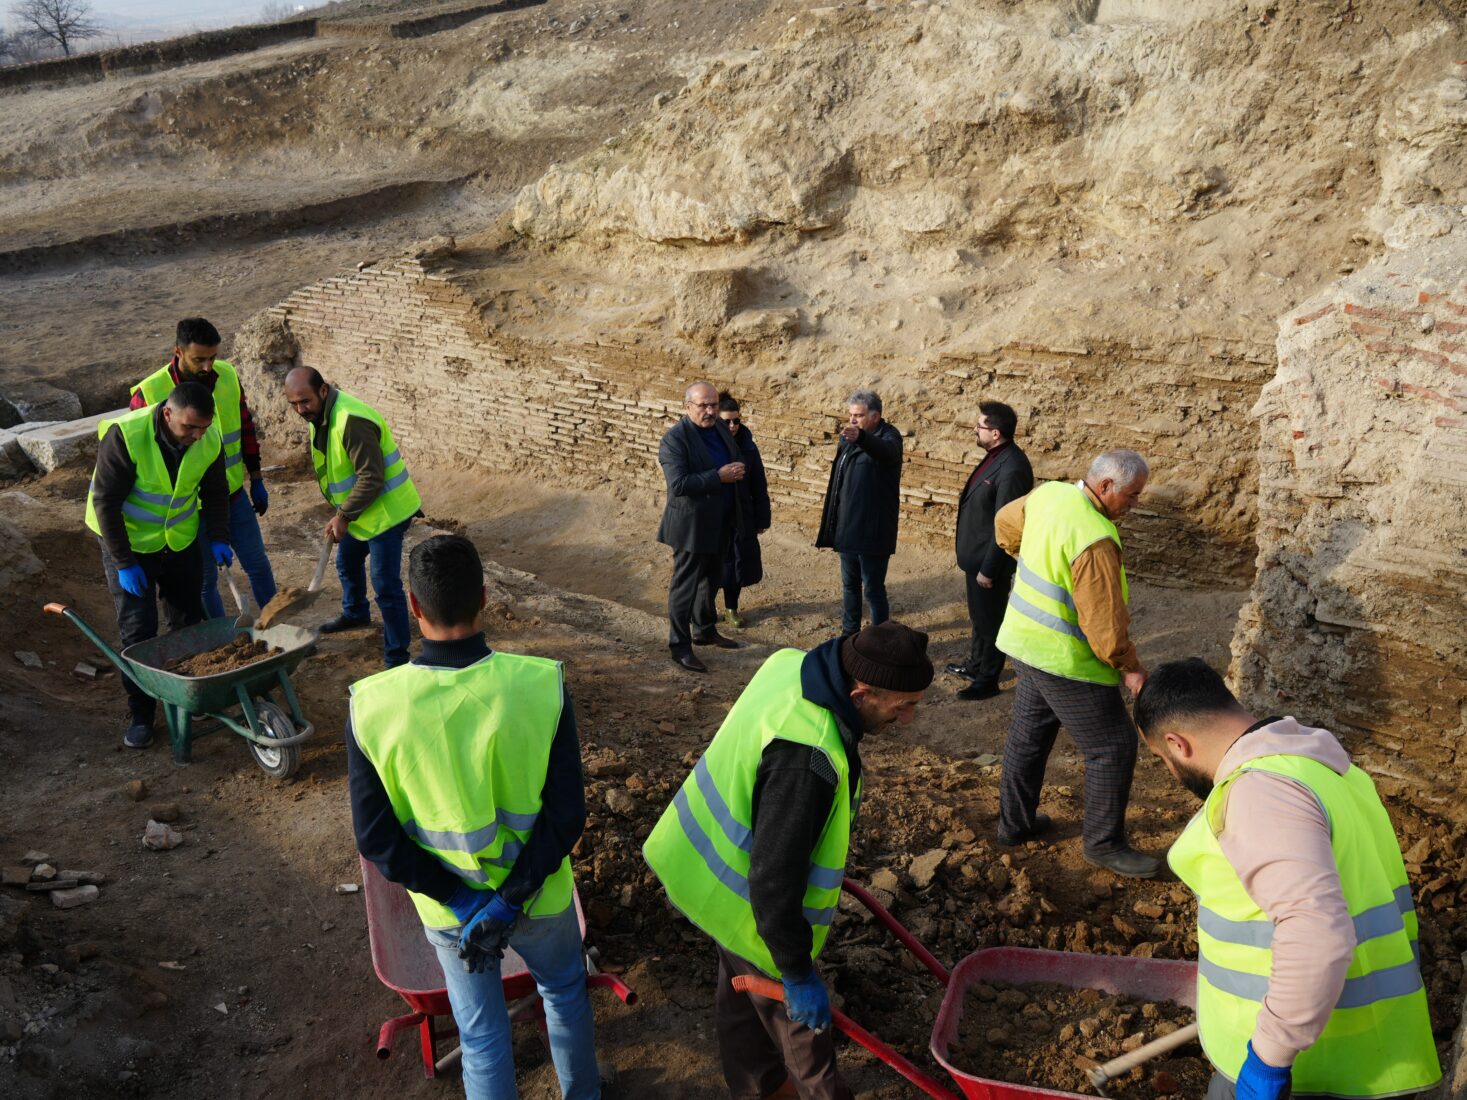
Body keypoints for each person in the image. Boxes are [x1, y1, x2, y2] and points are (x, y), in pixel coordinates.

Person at [348, 534, 599, 1100]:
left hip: (450, 912)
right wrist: (509, 900)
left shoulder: (373, 706)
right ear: (484, 597)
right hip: (538, 896)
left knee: (482, 1036)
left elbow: (376, 837)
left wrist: (466, 904)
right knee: (563, 993)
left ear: (413, 607)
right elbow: (566, 815)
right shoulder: (541, 686)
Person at [644, 621, 934, 1100]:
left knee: (741, 1000)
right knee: (803, 1036)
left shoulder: (792, 665)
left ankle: (760, 1088)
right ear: (860, 693)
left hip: (707, 865)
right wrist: (797, 973)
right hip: (749, 896)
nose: (907, 720)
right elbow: (775, 879)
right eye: (902, 706)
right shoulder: (809, 758)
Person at [1135, 659, 1441, 1100]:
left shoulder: (1260, 793)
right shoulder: (1329, 771)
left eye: (1162, 759)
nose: (1170, 771)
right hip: (1371, 1051)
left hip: (1308, 1070)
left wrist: (1267, 1060)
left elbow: (1317, 935)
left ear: (1177, 744)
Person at [992, 448, 1157, 877]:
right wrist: (1130, 667)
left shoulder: (1051, 495)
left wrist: (1028, 558)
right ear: (1105, 487)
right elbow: (1105, 624)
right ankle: (1103, 844)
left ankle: (1015, 824)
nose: (1136, 504)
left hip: (1024, 643)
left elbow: (1005, 524)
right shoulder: (1095, 539)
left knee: (1028, 737)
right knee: (1112, 746)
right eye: (1133, 495)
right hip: (1066, 660)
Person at [84, 382, 230, 748]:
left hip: (179, 541)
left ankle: (189, 696)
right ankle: (142, 715)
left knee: (188, 621)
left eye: (203, 428)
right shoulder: (127, 437)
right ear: (167, 414)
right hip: (130, 546)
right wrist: (123, 562)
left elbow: (214, 491)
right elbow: (105, 503)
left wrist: (219, 537)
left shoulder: (208, 438)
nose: (196, 436)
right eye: (189, 428)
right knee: (139, 632)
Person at [130, 317, 277, 619]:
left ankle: (280, 625)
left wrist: (257, 477)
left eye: (213, 357)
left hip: (231, 497)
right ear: (178, 352)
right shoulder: (148, 394)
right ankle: (225, 641)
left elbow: (245, 427)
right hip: (187, 511)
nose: (208, 366)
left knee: (258, 565)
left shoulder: (227, 375)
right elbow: (139, 457)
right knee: (205, 581)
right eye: (199, 359)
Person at [283, 367, 422, 669]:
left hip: (387, 513)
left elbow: (372, 477)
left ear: (323, 391)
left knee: (385, 584)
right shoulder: (319, 414)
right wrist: (342, 514)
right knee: (347, 562)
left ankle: (397, 656)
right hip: (362, 513)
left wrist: (343, 515)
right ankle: (356, 612)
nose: (299, 409)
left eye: (304, 402)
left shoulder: (350, 420)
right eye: (293, 403)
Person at [657, 380, 746, 673]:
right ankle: (679, 646)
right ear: (688, 407)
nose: (709, 411)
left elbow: (733, 455)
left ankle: (705, 629)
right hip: (691, 525)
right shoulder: (675, 439)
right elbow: (679, 484)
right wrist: (718, 477)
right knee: (685, 586)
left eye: (713, 405)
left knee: (712, 578)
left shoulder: (719, 428)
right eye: (703, 406)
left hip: (720, 520)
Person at [947, 400, 1033, 701]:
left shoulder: (1013, 468)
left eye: (980, 425)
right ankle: (975, 665)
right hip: (977, 559)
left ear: (995, 433)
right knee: (979, 617)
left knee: (991, 622)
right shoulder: (996, 456)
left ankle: (987, 679)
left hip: (989, 563)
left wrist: (989, 568)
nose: (975, 429)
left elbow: (1007, 525)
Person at [816, 389, 903, 635]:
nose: (853, 420)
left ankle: (880, 636)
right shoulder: (848, 438)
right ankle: (849, 633)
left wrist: (862, 438)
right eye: (851, 415)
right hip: (848, 527)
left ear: (875, 416)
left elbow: (887, 453)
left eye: (859, 415)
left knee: (873, 589)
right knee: (849, 586)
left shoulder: (889, 436)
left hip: (873, 530)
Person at [717, 392, 771, 629]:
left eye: (736, 421)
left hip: (741, 514)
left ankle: (731, 608)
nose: (732, 426)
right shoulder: (708, 444)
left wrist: (761, 518)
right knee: (712, 564)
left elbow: (759, 483)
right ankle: (705, 610)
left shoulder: (748, 446)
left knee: (736, 563)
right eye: (727, 421)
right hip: (715, 514)